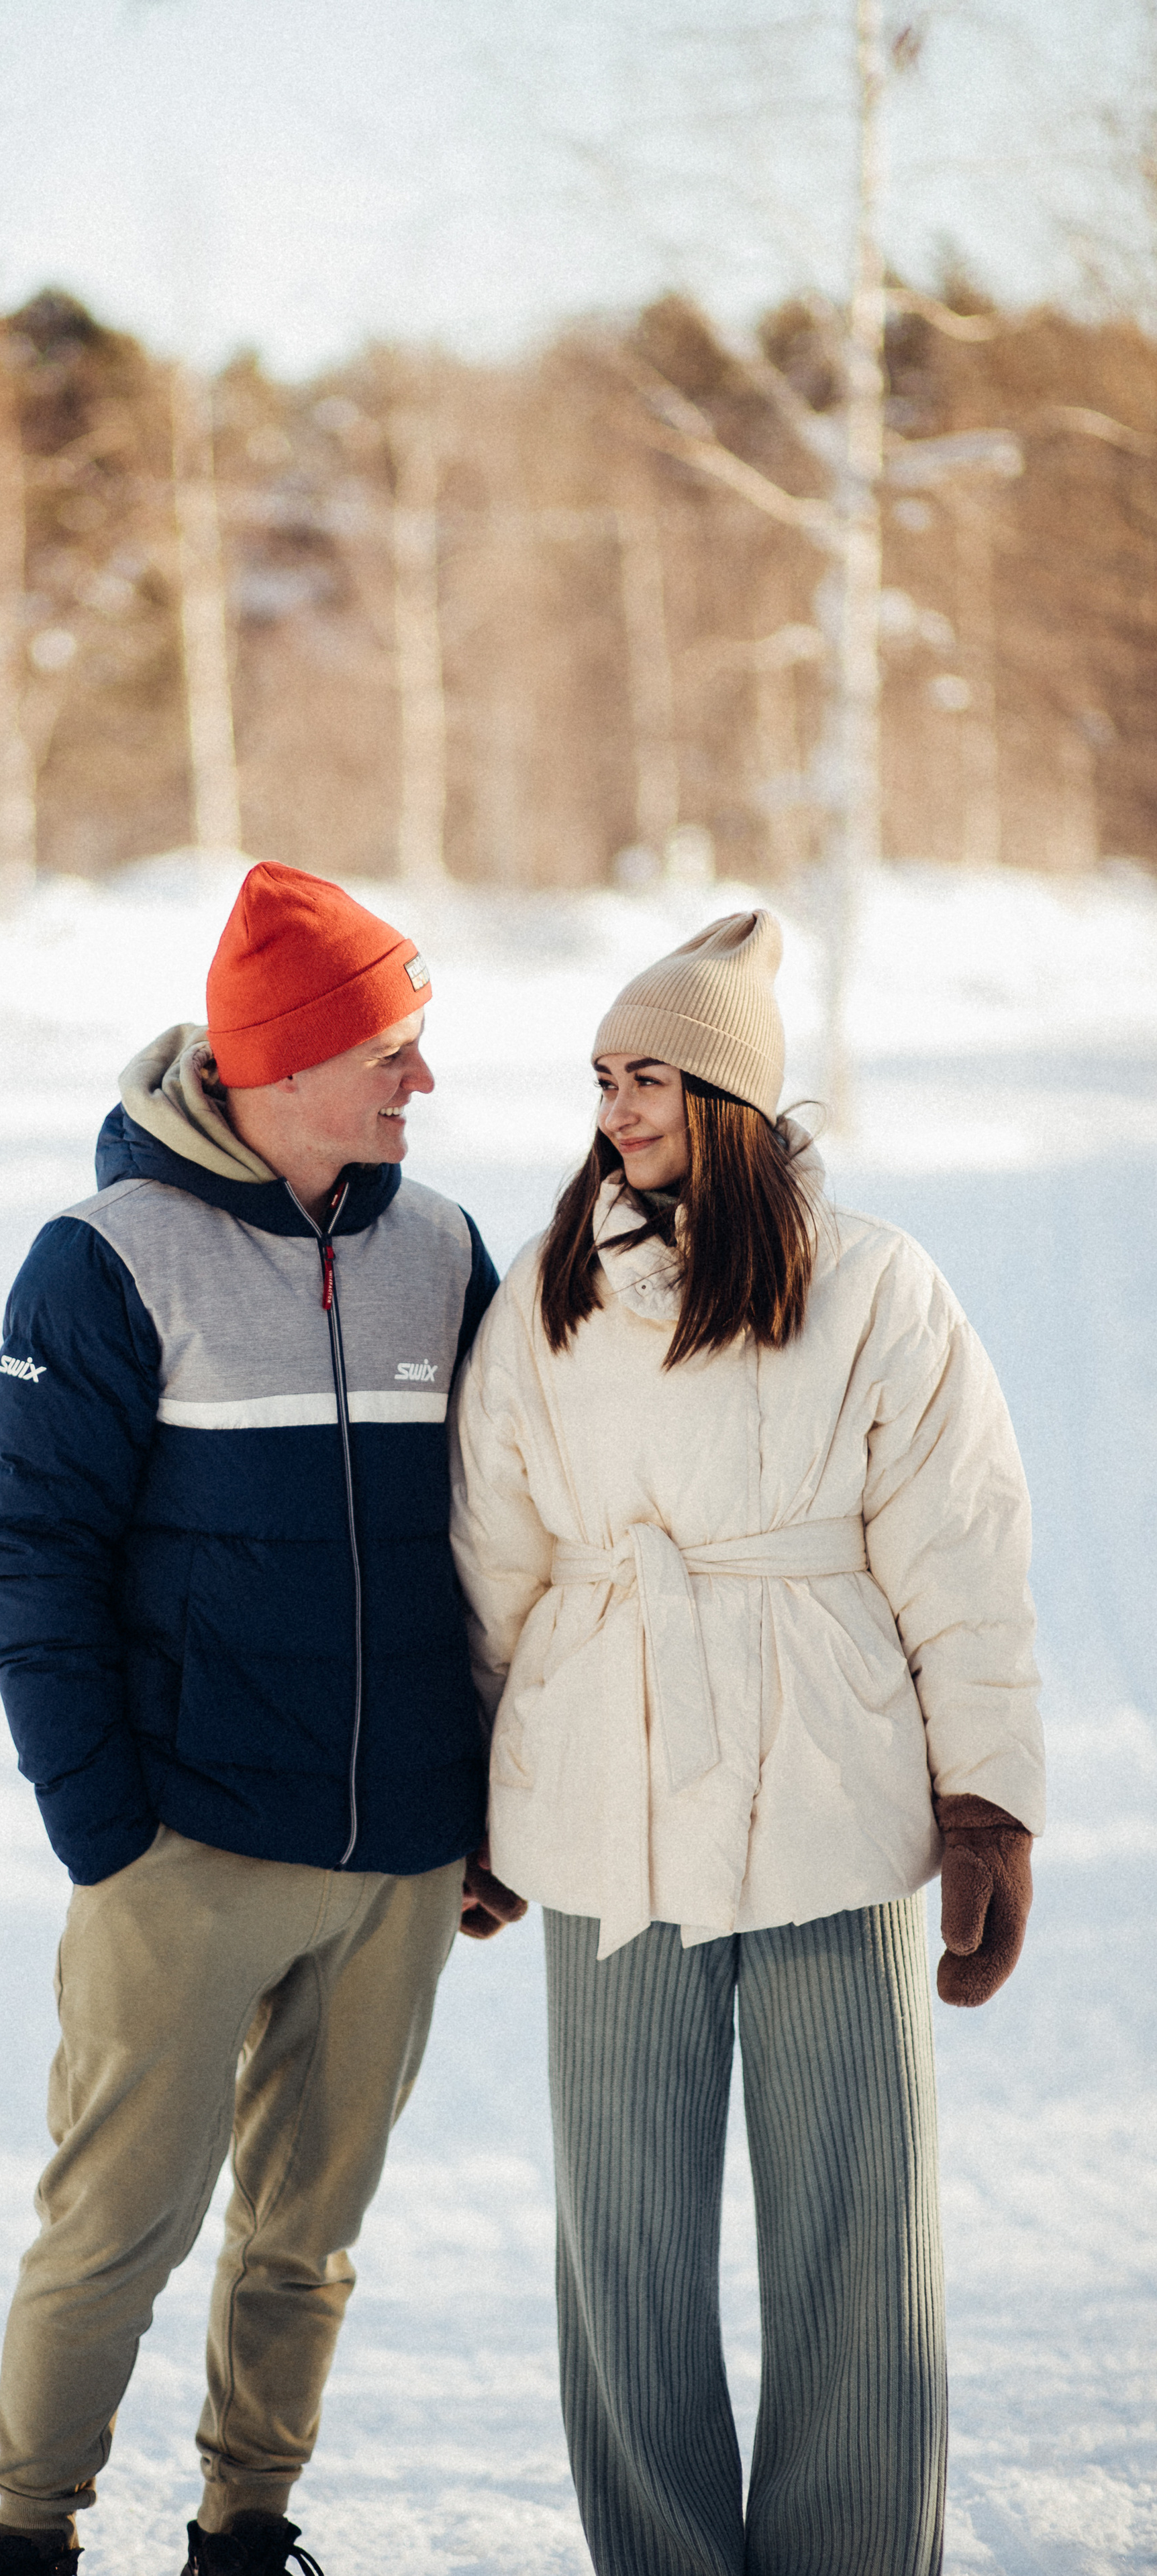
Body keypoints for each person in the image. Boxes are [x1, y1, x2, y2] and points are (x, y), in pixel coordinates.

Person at [449, 910, 1044, 2576]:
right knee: (623, 2245)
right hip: (600, 1788)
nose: (612, 1107)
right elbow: (490, 1549)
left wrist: (985, 1803)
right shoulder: (549, 1293)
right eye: (598, 1077)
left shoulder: (871, 1287)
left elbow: (961, 1552)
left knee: (855, 2234)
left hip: (828, 1798)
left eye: (645, 1076)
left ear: (726, 1094)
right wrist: (474, 1798)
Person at [0, 861, 523, 2576]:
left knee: (308, 2241)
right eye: (394, 1052)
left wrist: (479, 1810)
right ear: (286, 1063)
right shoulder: (105, 1260)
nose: (422, 1083)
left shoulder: (440, 1248)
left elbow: (503, 1539)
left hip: (398, 1854)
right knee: (112, 2233)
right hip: (188, 1844)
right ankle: (31, 2537)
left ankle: (243, 2531)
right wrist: (108, 1834)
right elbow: (29, 1556)